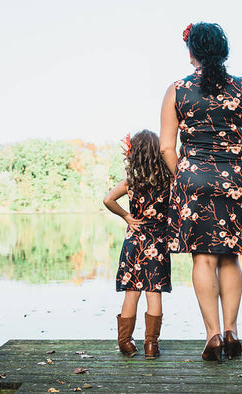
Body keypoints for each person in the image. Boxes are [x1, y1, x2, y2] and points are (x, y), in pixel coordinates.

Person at [160, 22, 242, 362]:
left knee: (203, 257)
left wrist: (185, 176)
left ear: (192, 53)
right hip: (234, 177)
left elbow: (165, 149)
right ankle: (232, 330)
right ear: (222, 50)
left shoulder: (177, 90)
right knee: (230, 256)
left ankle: (212, 336)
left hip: (193, 179)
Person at [103, 130, 173, 360]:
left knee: (131, 293)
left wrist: (126, 216)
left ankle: (125, 343)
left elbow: (108, 199)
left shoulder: (131, 183)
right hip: (158, 243)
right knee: (154, 294)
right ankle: (151, 345)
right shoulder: (168, 182)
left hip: (134, 242)